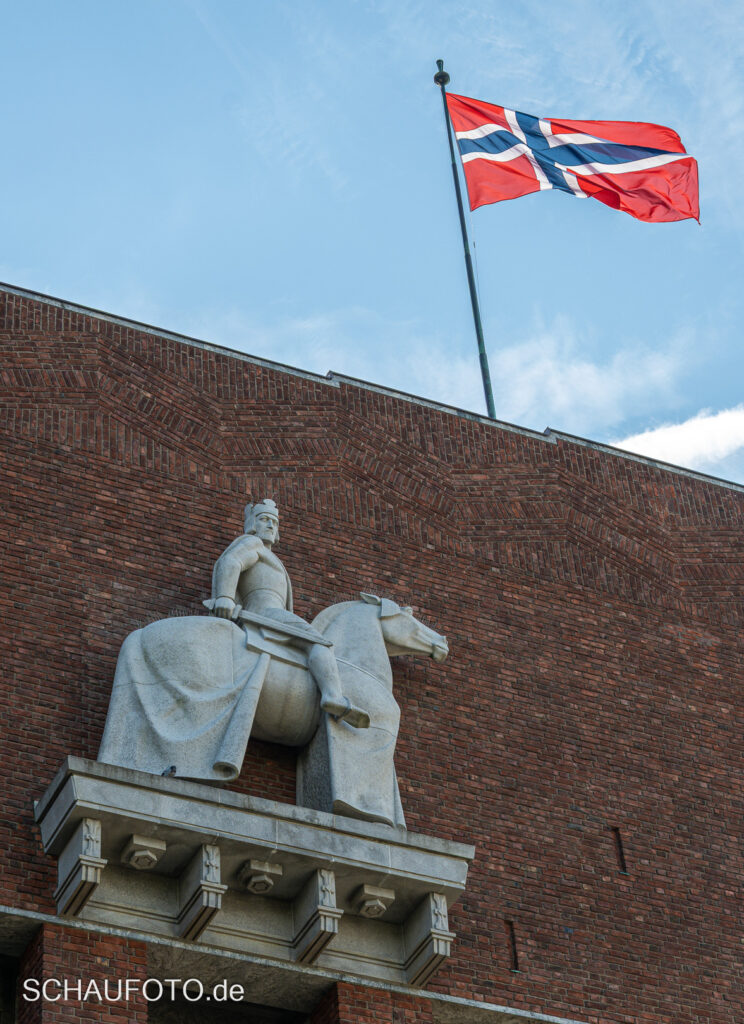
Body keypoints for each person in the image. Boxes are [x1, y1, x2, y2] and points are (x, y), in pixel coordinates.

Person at [211, 499, 369, 729]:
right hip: (265, 612)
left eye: (274, 522)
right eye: (264, 519)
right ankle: (333, 696)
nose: (270, 525)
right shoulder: (252, 543)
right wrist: (224, 596)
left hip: (274, 612)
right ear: (252, 524)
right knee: (320, 642)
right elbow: (231, 561)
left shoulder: (270, 556)